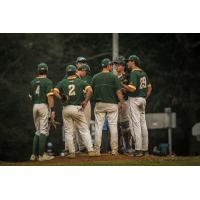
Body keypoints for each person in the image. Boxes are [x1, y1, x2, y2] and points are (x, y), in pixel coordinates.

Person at [53, 65, 96, 158]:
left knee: (68, 131)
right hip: (77, 108)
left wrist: (61, 98)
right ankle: (91, 150)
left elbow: (54, 91)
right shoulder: (80, 82)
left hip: (66, 109)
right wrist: (85, 101)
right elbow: (90, 90)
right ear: (75, 72)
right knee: (84, 129)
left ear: (67, 73)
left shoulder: (62, 82)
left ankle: (72, 152)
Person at [91, 58, 125, 156]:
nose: (112, 67)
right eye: (111, 65)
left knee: (98, 127)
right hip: (112, 104)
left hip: (99, 104)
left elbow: (90, 91)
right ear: (108, 66)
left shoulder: (95, 77)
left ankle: (97, 150)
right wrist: (122, 102)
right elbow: (118, 92)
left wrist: (86, 100)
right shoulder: (113, 77)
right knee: (113, 126)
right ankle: (114, 150)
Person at [123, 55, 152, 157]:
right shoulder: (143, 73)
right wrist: (144, 98)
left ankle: (138, 149)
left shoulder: (134, 73)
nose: (127, 63)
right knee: (143, 125)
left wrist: (122, 85)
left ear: (133, 62)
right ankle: (145, 150)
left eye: (129, 61)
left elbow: (132, 89)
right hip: (142, 100)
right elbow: (149, 87)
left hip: (134, 99)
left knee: (135, 124)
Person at [29, 63, 55, 161]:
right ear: (46, 71)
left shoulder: (32, 82)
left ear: (38, 70)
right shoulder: (48, 81)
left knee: (38, 131)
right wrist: (52, 110)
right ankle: (41, 155)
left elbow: (31, 97)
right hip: (43, 106)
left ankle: (33, 155)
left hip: (35, 106)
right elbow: (49, 97)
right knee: (44, 130)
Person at [113, 56, 133, 154]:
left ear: (123, 66)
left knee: (125, 125)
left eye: (118, 65)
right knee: (116, 125)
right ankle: (120, 147)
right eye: (115, 65)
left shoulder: (128, 76)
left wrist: (123, 90)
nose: (116, 67)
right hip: (114, 103)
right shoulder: (113, 77)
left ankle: (128, 147)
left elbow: (130, 89)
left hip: (125, 101)